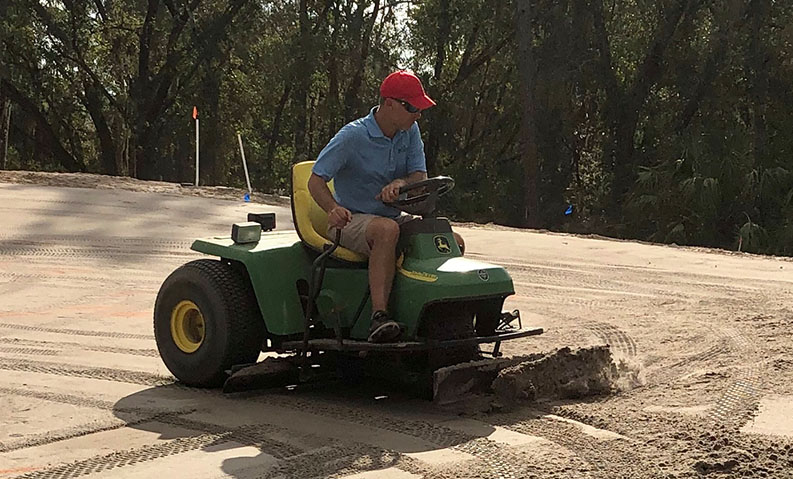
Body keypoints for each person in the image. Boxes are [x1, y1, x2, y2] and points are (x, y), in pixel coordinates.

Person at [308, 70, 465, 343]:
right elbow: (315, 180)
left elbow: (419, 178)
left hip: (388, 216)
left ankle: (440, 316)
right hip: (349, 220)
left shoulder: (410, 131)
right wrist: (332, 208)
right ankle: (378, 317)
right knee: (386, 230)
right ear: (390, 104)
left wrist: (400, 183)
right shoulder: (352, 137)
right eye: (412, 107)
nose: (418, 114)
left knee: (448, 239)